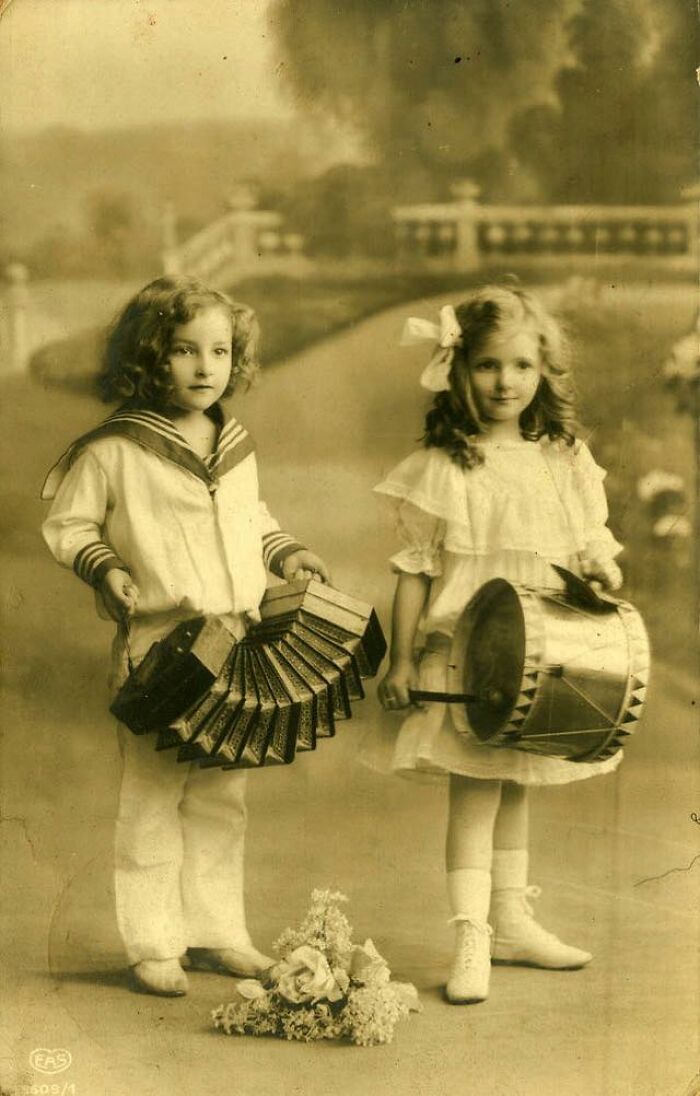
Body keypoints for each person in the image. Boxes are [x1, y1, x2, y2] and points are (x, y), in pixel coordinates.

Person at [41, 276, 329, 998]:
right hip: (163, 643)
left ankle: (217, 931)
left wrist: (284, 553)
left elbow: (251, 517)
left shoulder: (233, 444)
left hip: (236, 642)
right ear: (148, 357)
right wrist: (104, 568)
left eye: (221, 351)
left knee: (220, 795)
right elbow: (69, 524)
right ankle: (154, 941)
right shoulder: (115, 449)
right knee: (152, 792)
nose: (206, 367)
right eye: (183, 350)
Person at [374, 285, 624, 1005]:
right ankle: (470, 935)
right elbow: (416, 572)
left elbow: (586, 543)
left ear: (544, 370)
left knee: (518, 780)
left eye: (520, 365)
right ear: (457, 370)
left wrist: (602, 566)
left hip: (544, 649)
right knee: (477, 785)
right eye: (486, 365)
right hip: (469, 650)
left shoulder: (562, 459)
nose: (505, 382)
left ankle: (511, 918)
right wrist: (399, 660)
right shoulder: (444, 465)